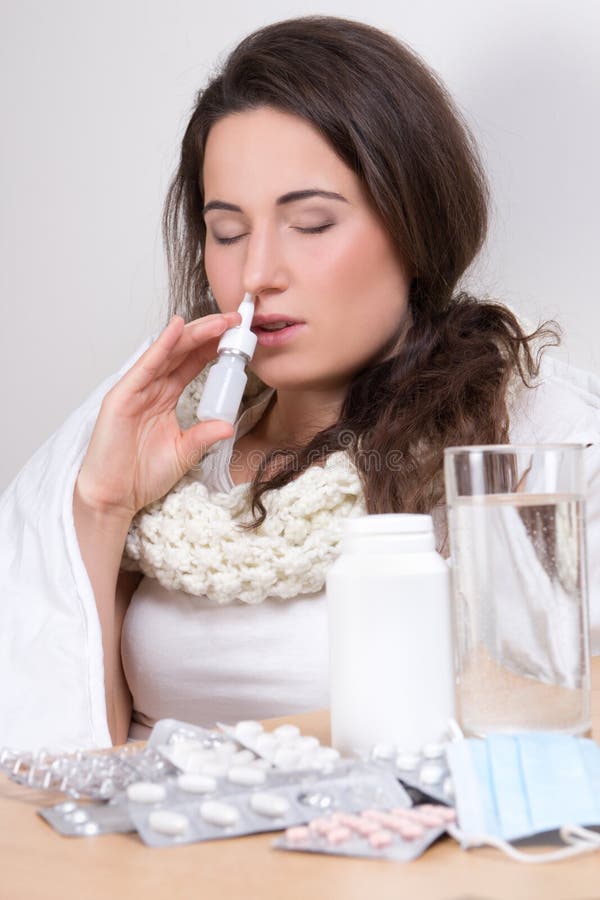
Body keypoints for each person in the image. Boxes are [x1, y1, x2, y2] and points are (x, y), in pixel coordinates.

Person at [1, 16, 599, 751]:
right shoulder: (149, 427)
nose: (256, 275)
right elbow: (67, 747)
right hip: (155, 856)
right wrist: (102, 507)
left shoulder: (528, 437)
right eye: (226, 231)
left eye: (311, 223)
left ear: (416, 223)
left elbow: (558, 731)